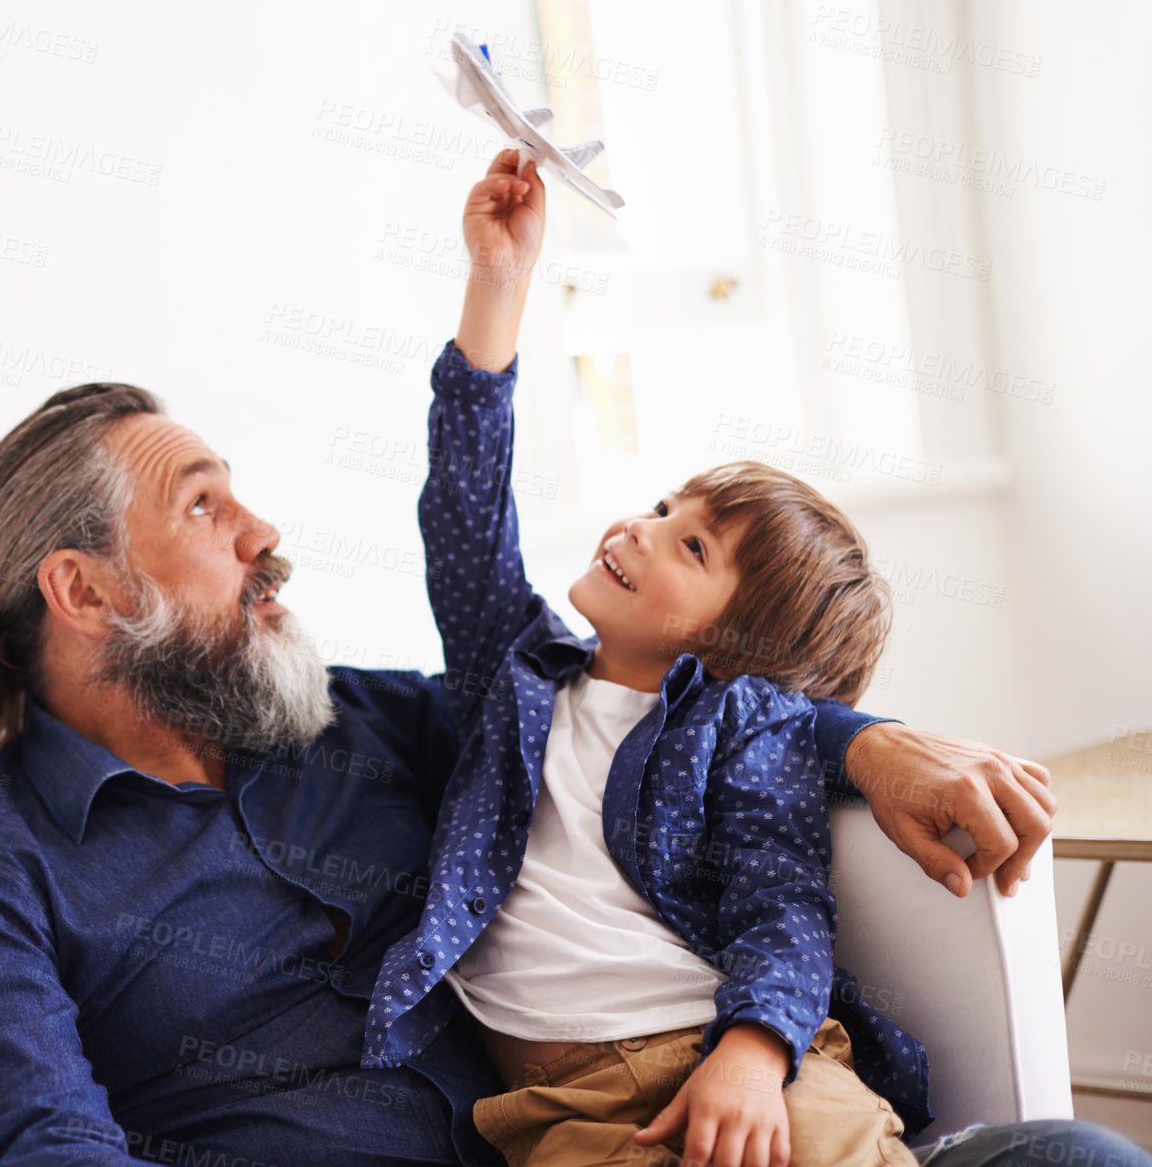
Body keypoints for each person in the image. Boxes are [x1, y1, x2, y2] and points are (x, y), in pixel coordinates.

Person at [0, 148, 1117, 1166]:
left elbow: (635, 710)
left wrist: (875, 743)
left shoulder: (349, 722)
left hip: (703, 1118)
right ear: (84, 589)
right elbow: (40, 1148)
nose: (264, 533)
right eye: (203, 508)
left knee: (1082, 1162)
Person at [391, 141, 936, 1167]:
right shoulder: (515, 673)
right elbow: (462, 506)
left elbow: (783, 907)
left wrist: (754, 1046)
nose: (641, 527)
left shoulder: (743, 729)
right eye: (662, 505)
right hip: (566, 1103)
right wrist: (498, 286)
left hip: (734, 1052)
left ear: (738, 650)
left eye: (690, 545)